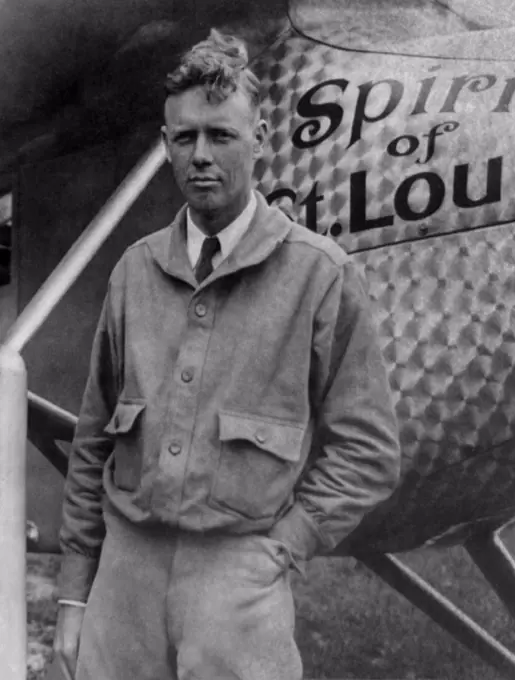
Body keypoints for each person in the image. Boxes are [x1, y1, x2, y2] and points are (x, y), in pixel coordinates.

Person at [53, 28, 400, 680]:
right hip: (125, 574)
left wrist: (282, 547)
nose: (201, 156)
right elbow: (92, 440)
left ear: (260, 140)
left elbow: (369, 450)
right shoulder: (134, 272)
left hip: (238, 579)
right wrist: (75, 592)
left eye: (221, 135)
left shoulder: (319, 276)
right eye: (184, 139)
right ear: (165, 146)